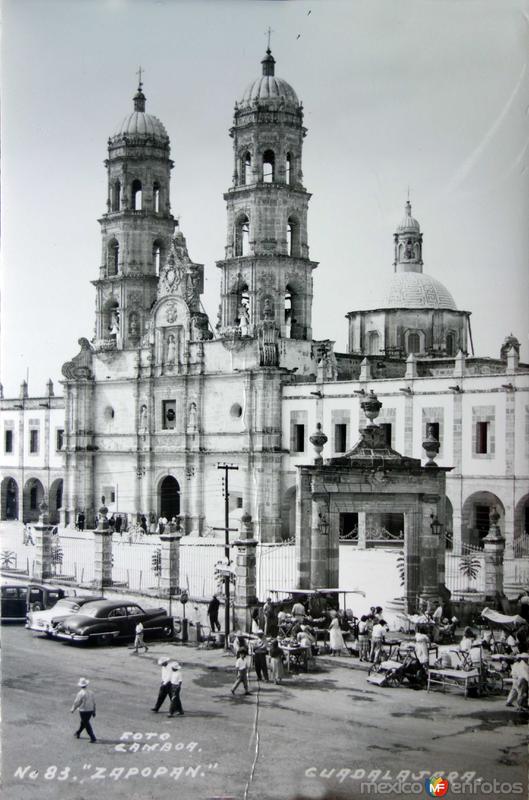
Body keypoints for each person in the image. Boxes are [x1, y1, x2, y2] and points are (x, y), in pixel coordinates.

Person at [71, 677, 97, 743]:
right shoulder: (91, 692)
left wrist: (73, 709)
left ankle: (92, 737)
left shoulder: (80, 693)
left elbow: (77, 702)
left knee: (86, 723)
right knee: (84, 722)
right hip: (90, 710)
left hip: (83, 710)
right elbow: (94, 702)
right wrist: (94, 711)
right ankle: (78, 733)